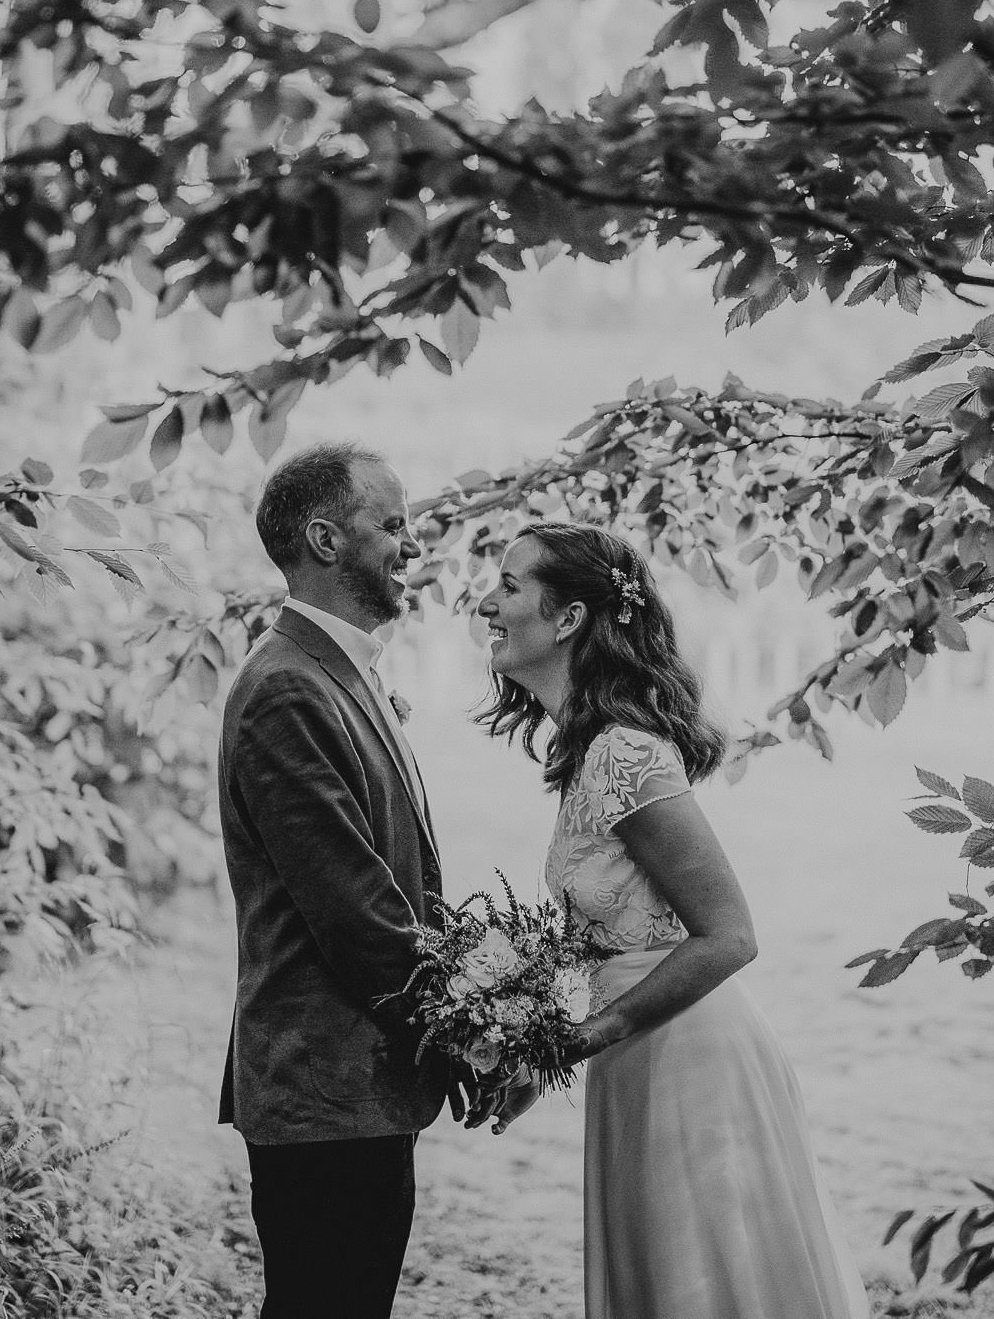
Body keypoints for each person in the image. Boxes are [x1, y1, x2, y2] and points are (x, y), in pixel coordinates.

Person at [473, 522, 870, 1319]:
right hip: (639, 1053)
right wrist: (525, 1039)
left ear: (569, 618)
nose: (487, 601)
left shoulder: (625, 754)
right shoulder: (587, 752)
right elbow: (610, 932)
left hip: (690, 1055)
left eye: (509, 585)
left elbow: (729, 933)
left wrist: (593, 1030)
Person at [218, 442, 457, 1319]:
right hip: (325, 1089)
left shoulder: (333, 672)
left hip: (358, 1085)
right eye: (391, 523)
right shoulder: (287, 688)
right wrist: (471, 1033)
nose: (411, 541)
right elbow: (358, 914)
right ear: (325, 538)